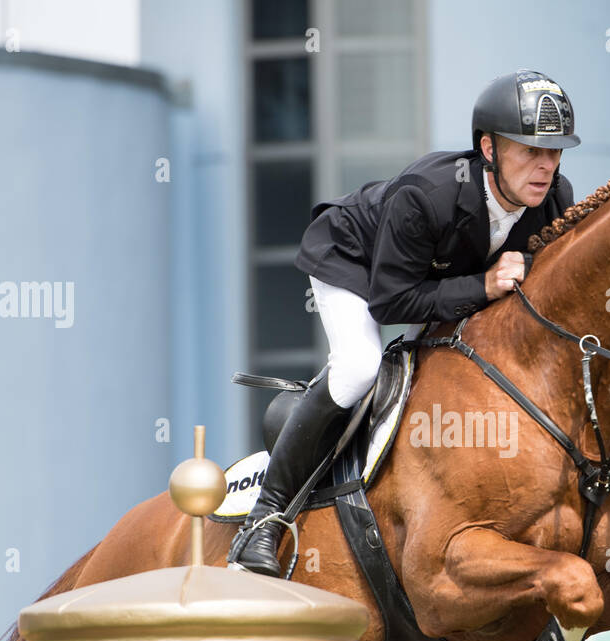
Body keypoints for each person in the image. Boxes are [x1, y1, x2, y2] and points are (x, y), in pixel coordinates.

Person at [232, 70, 579, 576]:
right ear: (488, 147)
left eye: (554, 153)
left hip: (436, 280)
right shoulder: (428, 194)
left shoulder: (553, 198)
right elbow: (391, 302)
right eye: (529, 151)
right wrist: (483, 286)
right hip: (355, 264)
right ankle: (264, 519)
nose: (545, 167)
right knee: (359, 366)